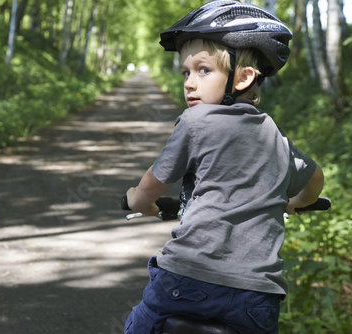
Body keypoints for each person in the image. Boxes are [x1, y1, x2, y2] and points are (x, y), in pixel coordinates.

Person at [124, 1, 324, 334]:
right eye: (186, 72)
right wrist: (295, 203)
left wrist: (137, 201)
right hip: (257, 296)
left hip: (187, 280)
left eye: (203, 70)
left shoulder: (195, 121)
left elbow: (150, 189)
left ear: (244, 77)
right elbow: (314, 178)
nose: (189, 82)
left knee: (141, 326)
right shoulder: (275, 135)